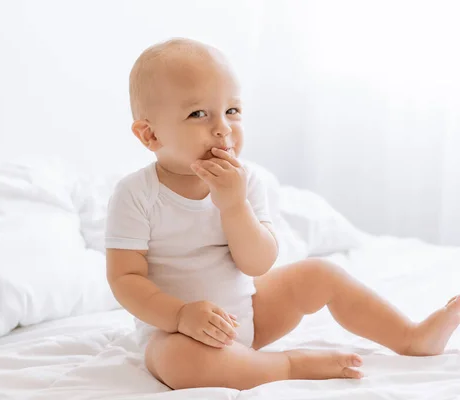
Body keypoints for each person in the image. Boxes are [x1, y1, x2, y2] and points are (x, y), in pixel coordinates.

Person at [104, 38, 460, 390]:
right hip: (176, 333)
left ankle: (410, 337)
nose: (223, 128)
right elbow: (126, 280)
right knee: (181, 363)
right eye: (198, 114)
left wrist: (234, 205)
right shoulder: (137, 194)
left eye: (232, 111)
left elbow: (258, 265)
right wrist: (180, 316)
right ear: (150, 134)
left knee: (320, 273)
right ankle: (288, 366)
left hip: (249, 316)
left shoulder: (247, 181)